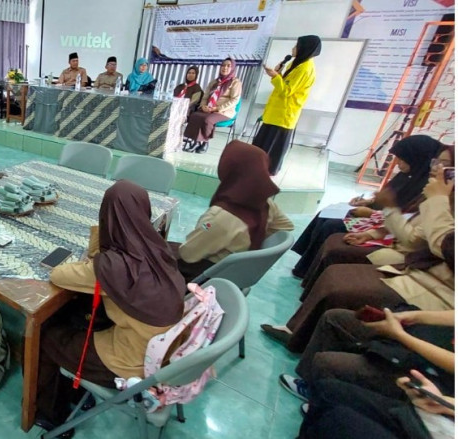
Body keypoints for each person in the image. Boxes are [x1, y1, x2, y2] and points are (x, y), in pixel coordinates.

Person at [35, 180, 187, 432]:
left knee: (48, 337)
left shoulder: (113, 267)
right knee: (81, 315)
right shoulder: (159, 248)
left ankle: (52, 416)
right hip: (165, 351)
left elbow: (59, 275)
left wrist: (102, 234)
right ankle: (72, 392)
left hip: (133, 365)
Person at [262, 168, 454, 353]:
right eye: (440, 163)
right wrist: (372, 231)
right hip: (418, 267)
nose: (439, 169)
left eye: (448, 167)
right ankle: (300, 320)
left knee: (340, 278)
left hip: (428, 280)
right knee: (333, 250)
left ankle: (301, 334)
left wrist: (394, 208)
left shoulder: (441, 200)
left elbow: (426, 241)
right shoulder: (429, 191)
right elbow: (410, 219)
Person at [298, 144, 454, 293]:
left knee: (332, 229)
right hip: (387, 227)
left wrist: (383, 210)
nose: (436, 168)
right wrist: (371, 210)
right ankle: (303, 271)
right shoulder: (420, 183)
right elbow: (404, 213)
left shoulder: (438, 195)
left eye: (444, 164)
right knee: (327, 216)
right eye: (436, 162)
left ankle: (309, 279)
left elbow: (414, 239)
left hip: (403, 249)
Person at [171, 141, 294, 279]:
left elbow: (188, 254)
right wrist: (250, 241)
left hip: (203, 277)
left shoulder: (220, 217)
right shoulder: (266, 203)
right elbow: (285, 226)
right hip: (232, 273)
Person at [280, 308, 454, 403]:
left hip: (440, 378)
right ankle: (310, 384)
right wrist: (414, 316)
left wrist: (401, 336)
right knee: (334, 318)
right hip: (432, 337)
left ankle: (322, 398)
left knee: (328, 363)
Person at [298, 373, 454, 439]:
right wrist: (443, 402)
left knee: (337, 421)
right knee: (328, 390)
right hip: (432, 421)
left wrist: (401, 334)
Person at [254, 35, 321, 175]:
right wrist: (278, 73)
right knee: (260, 146)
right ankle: (255, 169)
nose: (293, 49)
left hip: (284, 116)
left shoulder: (305, 68)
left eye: (296, 46)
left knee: (272, 149)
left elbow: (286, 90)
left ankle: (266, 174)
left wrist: (274, 76)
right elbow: (284, 84)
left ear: (305, 48)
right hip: (275, 113)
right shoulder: (296, 63)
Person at [181, 57, 242, 154]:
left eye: (228, 66)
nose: (225, 68)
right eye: (223, 65)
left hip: (224, 111)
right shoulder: (214, 82)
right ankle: (195, 141)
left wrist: (217, 108)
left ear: (233, 68)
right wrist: (203, 106)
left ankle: (204, 142)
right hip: (209, 108)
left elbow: (234, 100)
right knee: (195, 116)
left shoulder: (236, 82)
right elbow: (205, 96)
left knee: (208, 119)